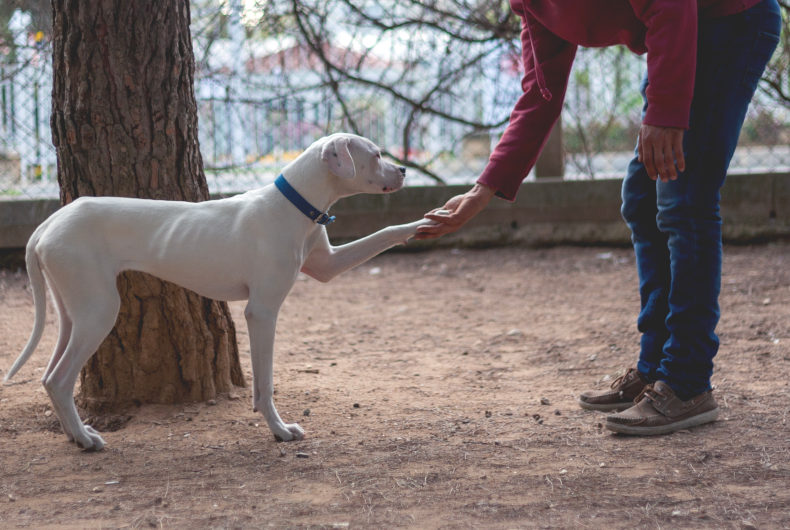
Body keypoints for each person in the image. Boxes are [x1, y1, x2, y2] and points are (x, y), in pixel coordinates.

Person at [416, 0, 782, 435]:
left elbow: (672, 5)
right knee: (644, 200)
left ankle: (687, 382)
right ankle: (655, 370)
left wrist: (665, 112)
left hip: (730, 23)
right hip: (684, 36)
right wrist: (482, 191)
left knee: (685, 199)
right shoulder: (530, 5)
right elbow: (540, 94)